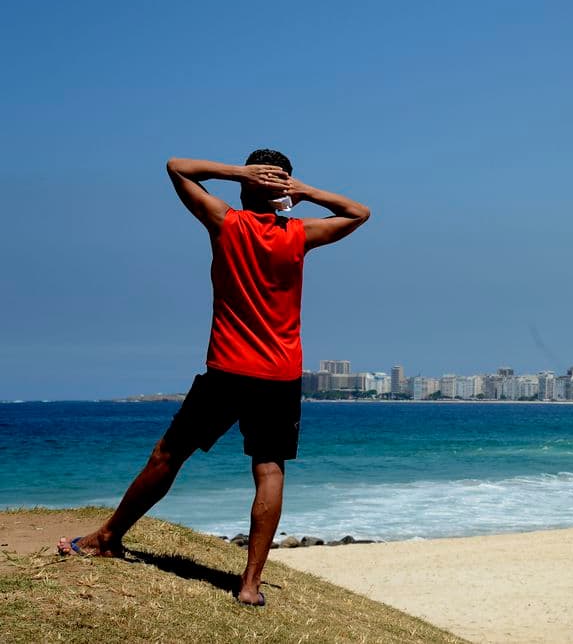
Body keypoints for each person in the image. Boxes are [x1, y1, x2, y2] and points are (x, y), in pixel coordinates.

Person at [58, 149, 370, 607]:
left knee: (169, 455)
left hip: (227, 369)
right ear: (283, 192)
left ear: (245, 187)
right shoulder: (300, 234)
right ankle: (250, 585)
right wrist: (302, 191)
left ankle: (108, 537)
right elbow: (359, 212)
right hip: (279, 374)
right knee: (268, 470)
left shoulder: (226, 222)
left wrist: (239, 172)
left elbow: (175, 166)